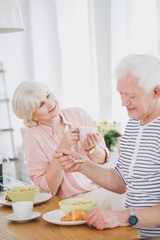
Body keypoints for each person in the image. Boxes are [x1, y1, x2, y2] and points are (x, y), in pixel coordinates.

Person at [57, 54, 160, 238]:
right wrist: (83, 166)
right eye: (120, 93)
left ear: (156, 92)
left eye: (131, 95)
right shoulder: (134, 125)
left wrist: (121, 218)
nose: (123, 102)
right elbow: (121, 182)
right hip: (132, 233)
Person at [12, 81, 125, 210]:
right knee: (123, 198)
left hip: (101, 188)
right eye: (41, 104)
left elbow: (104, 160)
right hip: (72, 200)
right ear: (31, 116)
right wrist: (62, 149)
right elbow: (48, 190)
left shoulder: (79, 114)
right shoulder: (33, 136)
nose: (50, 104)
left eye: (48, 95)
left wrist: (91, 149)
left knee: (134, 194)